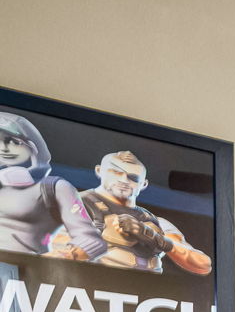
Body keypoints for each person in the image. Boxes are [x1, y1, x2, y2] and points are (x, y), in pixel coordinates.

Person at [48, 151, 211, 275]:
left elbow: (203, 265)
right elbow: (49, 263)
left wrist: (157, 239)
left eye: (133, 177)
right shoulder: (76, 207)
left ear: (144, 184)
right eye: (116, 172)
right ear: (99, 171)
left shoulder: (156, 222)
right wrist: (94, 243)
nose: (124, 181)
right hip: (96, 299)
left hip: (149, 301)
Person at [0, 113, 107, 261]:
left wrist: (58, 260)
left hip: (21, 276)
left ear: (34, 145)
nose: (4, 148)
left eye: (14, 141)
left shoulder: (53, 187)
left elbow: (91, 240)